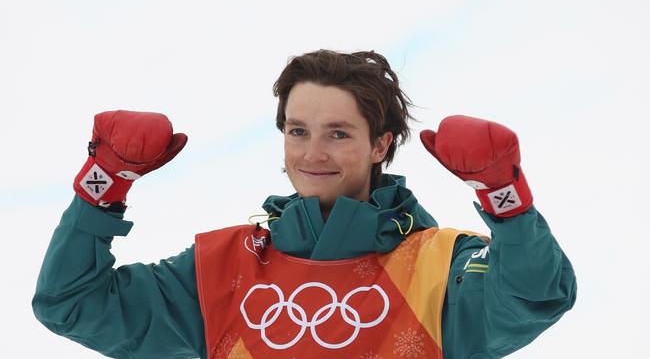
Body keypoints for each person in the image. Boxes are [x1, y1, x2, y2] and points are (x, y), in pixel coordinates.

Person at [33, 50, 577, 359]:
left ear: (381, 144)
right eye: (298, 131)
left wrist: (504, 199)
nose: (312, 153)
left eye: (338, 133)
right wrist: (102, 184)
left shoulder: (439, 267)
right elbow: (72, 303)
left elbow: (533, 298)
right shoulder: (223, 268)